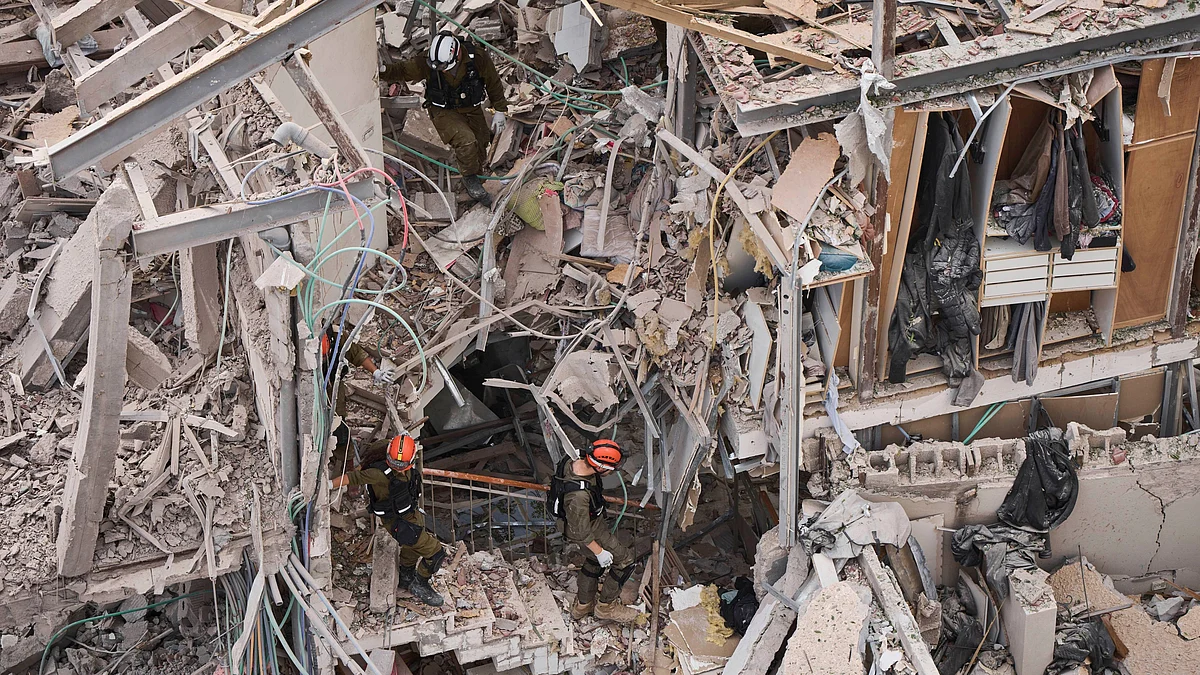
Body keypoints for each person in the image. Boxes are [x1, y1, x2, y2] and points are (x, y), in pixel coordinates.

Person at [382, 31, 509, 206]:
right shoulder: (428, 62)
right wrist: (382, 71)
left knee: (481, 142)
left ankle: (477, 172)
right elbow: (403, 70)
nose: (439, 69)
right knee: (466, 141)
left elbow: (493, 82)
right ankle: (470, 178)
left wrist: (500, 110)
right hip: (443, 110)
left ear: (456, 55)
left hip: (471, 108)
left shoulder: (477, 58)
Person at [331, 434, 447, 606]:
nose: (398, 469)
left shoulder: (386, 447)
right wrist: (327, 485)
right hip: (397, 520)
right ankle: (420, 584)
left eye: (402, 465)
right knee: (436, 553)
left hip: (410, 512)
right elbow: (353, 477)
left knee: (412, 546)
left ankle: (406, 576)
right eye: (395, 464)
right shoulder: (378, 475)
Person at [548, 440, 641, 623]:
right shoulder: (578, 496)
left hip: (586, 522)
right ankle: (606, 607)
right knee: (625, 562)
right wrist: (599, 551)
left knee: (593, 563)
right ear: (599, 467)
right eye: (611, 469)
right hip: (586, 530)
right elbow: (581, 531)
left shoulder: (573, 458)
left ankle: (583, 606)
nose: (613, 472)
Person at [321, 325, 396, 454]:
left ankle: (344, 459)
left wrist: (376, 371)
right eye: (322, 357)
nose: (324, 358)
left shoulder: (335, 335)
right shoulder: (303, 348)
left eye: (325, 355)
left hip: (332, 387)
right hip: (313, 389)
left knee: (339, 430)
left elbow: (356, 354)